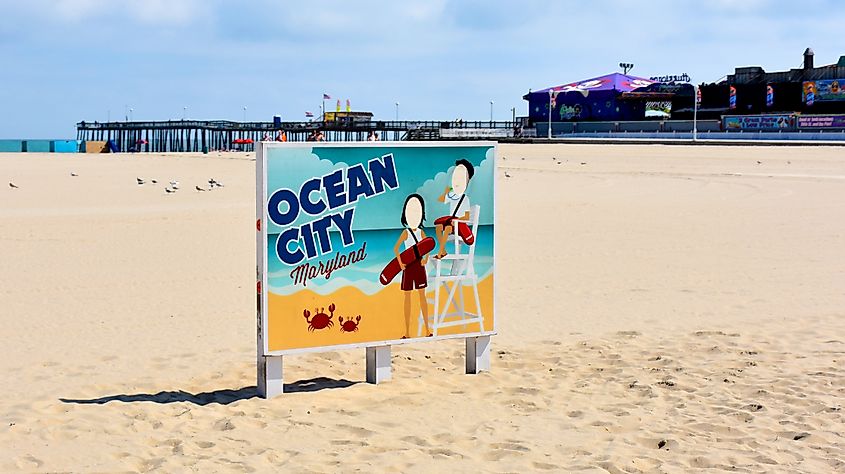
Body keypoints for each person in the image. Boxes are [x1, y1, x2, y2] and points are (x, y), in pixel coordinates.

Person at [392, 194, 431, 338]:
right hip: (408, 266)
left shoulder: (421, 232)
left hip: (419, 266)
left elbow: (428, 246)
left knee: (422, 297)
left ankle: (427, 329)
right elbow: (396, 248)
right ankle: (407, 332)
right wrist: (400, 263)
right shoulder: (405, 233)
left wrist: (425, 259)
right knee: (407, 298)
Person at [433, 159, 474, 259]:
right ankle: (443, 250)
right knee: (438, 227)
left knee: (447, 229)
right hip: (452, 223)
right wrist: (446, 191)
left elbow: (467, 216)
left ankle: (440, 253)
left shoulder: (465, 199)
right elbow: (441, 199)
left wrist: (457, 220)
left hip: (459, 226)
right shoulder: (452, 195)